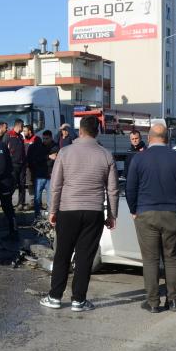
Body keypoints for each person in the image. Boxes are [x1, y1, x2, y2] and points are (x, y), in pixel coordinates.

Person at [40, 116, 118, 313]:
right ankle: (79, 300)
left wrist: (52, 210)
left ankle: (55, 297)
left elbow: (56, 185)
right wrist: (112, 214)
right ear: (97, 132)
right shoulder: (106, 155)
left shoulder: (65, 152)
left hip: (68, 210)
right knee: (85, 257)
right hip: (93, 211)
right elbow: (113, 189)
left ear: (80, 131)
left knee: (62, 254)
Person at [126, 123, 176, 313]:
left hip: (145, 213)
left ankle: (153, 302)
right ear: (167, 139)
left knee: (150, 260)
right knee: (172, 258)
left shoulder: (139, 158)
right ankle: (174, 301)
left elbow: (130, 188)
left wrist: (134, 209)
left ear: (148, 138)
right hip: (172, 213)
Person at [26, 128, 54, 218]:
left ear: (51, 138)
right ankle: (37, 216)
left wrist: (46, 160)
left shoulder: (55, 147)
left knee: (50, 199)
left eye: (47, 138)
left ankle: (50, 216)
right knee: (37, 198)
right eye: (43, 138)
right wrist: (48, 157)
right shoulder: (39, 147)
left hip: (50, 176)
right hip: (40, 176)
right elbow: (37, 159)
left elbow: (54, 161)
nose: (44, 140)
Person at [6, 119, 26, 209]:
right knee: (12, 185)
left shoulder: (20, 136)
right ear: (19, 126)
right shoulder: (8, 135)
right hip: (13, 164)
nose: (23, 128)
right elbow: (4, 148)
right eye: (22, 126)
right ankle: (8, 202)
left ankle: (21, 203)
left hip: (22, 164)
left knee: (22, 184)